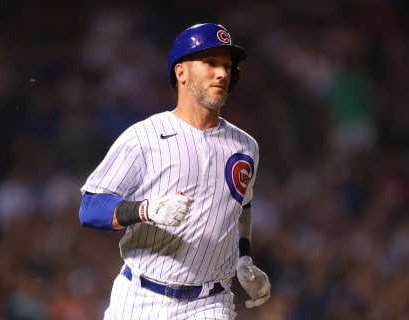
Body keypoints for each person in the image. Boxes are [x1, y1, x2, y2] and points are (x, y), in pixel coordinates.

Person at [78, 22, 271, 320]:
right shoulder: (143, 137)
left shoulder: (246, 146)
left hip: (209, 303)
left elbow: (242, 206)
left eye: (227, 66)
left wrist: (244, 257)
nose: (222, 73)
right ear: (181, 72)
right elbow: (90, 209)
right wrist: (146, 210)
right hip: (139, 298)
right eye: (209, 62)